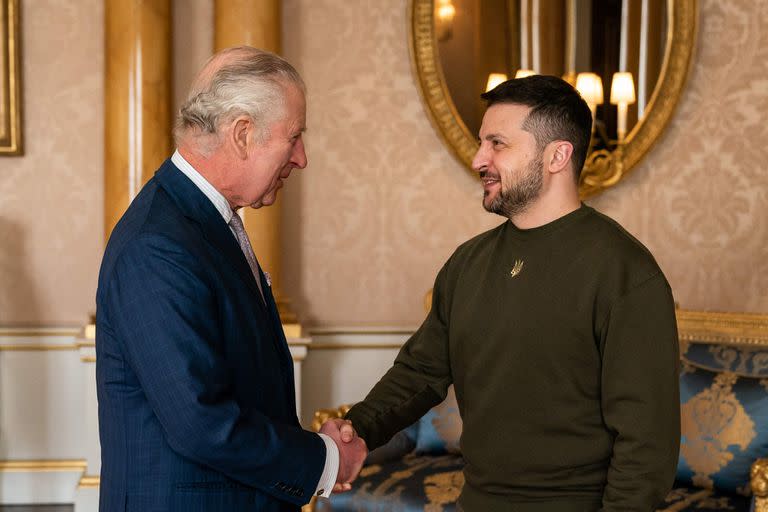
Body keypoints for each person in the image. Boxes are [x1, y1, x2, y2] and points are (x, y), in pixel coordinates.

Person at [341, 75, 680, 511]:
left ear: (557, 155)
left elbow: (646, 444)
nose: (479, 158)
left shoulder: (625, 272)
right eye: (482, 143)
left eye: (497, 144)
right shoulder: (467, 263)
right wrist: (355, 430)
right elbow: (419, 373)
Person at [95, 46, 366, 512]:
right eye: (294, 136)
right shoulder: (158, 243)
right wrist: (324, 460)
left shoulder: (203, 222)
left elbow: (245, 390)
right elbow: (201, 423)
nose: (301, 157)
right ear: (242, 134)